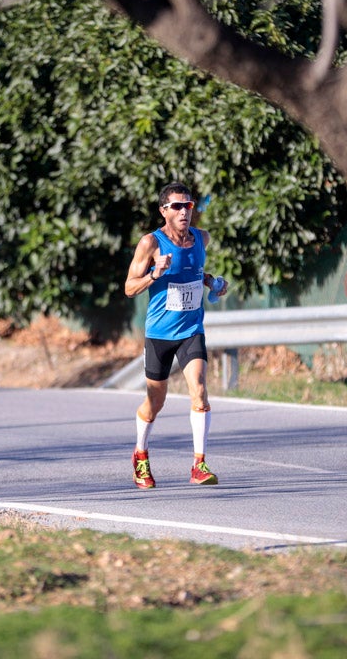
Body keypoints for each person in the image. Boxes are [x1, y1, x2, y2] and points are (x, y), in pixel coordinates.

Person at [124, 182, 229, 488]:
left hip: (191, 330)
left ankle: (199, 464)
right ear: (164, 211)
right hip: (159, 333)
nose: (185, 212)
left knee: (199, 390)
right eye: (177, 206)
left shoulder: (201, 238)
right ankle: (140, 454)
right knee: (155, 402)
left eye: (189, 205)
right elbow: (129, 288)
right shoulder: (150, 243)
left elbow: (193, 273)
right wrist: (154, 274)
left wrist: (212, 282)